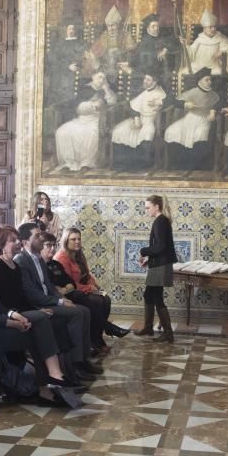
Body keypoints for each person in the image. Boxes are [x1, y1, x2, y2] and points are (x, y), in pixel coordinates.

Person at [0, 228, 82, 408]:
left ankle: (50, 383)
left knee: (37, 328)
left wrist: (15, 315)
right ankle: (49, 383)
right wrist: (13, 323)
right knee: (35, 331)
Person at [15, 223, 101, 378]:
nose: (40, 238)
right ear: (25, 241)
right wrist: (59, 302)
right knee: (76, 313)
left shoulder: (38, 259)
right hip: (38, 305)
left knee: (85, 310)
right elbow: (31, 293)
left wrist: (62, 298)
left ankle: (83, 359)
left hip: (49, 300)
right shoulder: (21, 260)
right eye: (36, 236)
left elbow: (49, 286)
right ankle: (74, 365)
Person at [54, 227, 128, 352]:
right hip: (72, 293)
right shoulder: (61, 258)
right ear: (66, 241)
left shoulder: (79, 254)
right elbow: (70, 284)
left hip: (83, 289)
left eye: (79, 239)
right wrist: (89, 288)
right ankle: (96, 338)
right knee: (98, 302)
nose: (77, 242)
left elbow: (87, 275)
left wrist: (93, 285)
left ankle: (97, 337)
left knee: (105, 298)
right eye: (73, 239)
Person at [54, 71, 117, 172]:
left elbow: (112, 102)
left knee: (90, 134)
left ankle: (86, 163)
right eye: (99, 77)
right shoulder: (85, 89)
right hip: (81, 118)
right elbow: (79, 108)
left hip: (97, 120)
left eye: (103, 78)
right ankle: (69, 162)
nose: (101, 80)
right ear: (93, 77)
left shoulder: (106, 89)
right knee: (62, 131)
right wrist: (92, 106)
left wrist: (106, 90)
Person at [133, 195, 176, 342]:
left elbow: (160, 247)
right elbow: (159, 247)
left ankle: (168, 333)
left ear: (156, 206)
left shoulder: (160, 221)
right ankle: (148, 327)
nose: (146, 211)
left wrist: (143, 252)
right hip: (158, 264)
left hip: (161, 266)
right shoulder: (161, 221)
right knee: (149, 295)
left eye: (148, 207)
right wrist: (149, 260)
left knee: (156, 298)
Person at [164, 67, 221, 170]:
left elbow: (219, 103)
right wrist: (185, 104)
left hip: (204, 119)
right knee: (171, 131)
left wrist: (213, 111)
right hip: (189, 118)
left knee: (199, 135)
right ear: (200, 81)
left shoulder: (213, 94)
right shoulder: (192, 92)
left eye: (210, 80)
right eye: (206, 80)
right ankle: (177, 164)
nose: (209, 82)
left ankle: (197, 165)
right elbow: (175, 101)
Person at [111, 71, 167, 171]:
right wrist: (136, 119)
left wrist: (160, 102)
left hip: (150, 121)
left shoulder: (160, 93)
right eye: (145, 78)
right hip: (138, 119)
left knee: (146, 134)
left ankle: (140, 165)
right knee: (118, 131)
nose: (145, 81)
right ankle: (122, 163)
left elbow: (170, 101)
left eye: (148, 79)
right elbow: (133, 106)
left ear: (154, 82)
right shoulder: (143, 91)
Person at [186, 10, 228, 76]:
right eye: (210, 27)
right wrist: (185, 45)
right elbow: (191, 52)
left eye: (214, 27)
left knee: (218, 73)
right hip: (198, 66)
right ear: (204, 28)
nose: (213, 29)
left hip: (214, 67)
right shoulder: (199, 39)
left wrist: (222, 51)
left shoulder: (220, 37)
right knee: (185, 72)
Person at [84, 5, 126, 81]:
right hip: (104, 69)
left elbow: (130, 54)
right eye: (109, 26)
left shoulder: (124, 36)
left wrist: (117, 52)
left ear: (117, 25)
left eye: (113, 25)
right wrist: (92, 56)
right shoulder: (104, 36)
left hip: (119, 69)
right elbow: (94, 52)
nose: (111, 28)